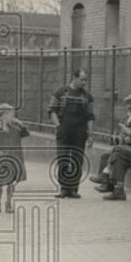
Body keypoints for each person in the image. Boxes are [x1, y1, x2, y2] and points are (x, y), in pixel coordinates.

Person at [91, 93, 131, 201]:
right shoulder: (128, 116)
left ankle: (105, 176)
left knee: (116, 151)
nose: (129, 107)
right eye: (127, 104)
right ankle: (110, 185)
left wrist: (127, 138)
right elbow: (125, 132)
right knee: (107, 155)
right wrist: (119, 137)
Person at [48, 68, 95, 199]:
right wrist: (58, 126)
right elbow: (52, 110)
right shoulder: (60, 92)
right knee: (62, 159)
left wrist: (90, 134)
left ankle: (73, 189)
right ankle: (63, 188)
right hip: (64, 132)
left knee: (77, 160)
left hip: (80, 133)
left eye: (85, 80)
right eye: (82, 79)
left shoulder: (87, 96)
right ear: (74, 78)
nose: (84, 82)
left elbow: (90, 116)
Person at [0, 103, 30, 213]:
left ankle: (8, 203)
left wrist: (21, 124)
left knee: (11, 183)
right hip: (2, 161)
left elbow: (26, 133)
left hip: (15, 159)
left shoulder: (16, 129)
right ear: (4, 116)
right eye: (11, 115)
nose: (13, 117)